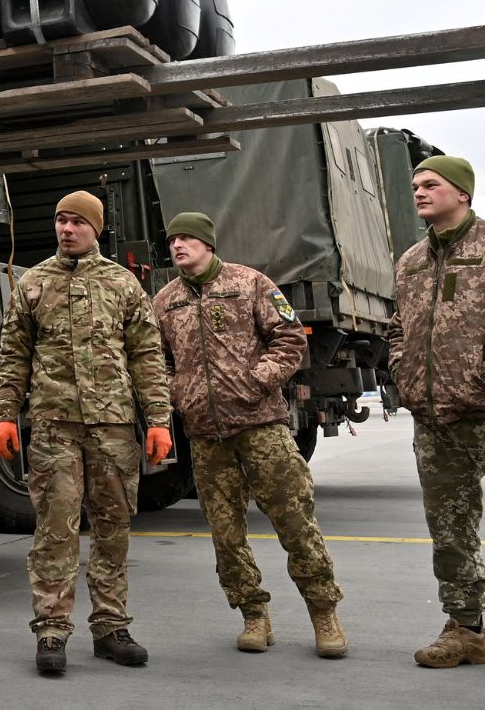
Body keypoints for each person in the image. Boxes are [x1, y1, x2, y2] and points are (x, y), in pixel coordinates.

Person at [151, 211, 347, 658]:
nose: (178, 245)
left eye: (187, 238)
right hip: (205, 434)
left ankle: (324, 613)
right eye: (173, 239)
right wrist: (178, 393)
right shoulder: (164, 301)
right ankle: (253, 616)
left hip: (261, 428)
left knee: (294, 520)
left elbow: (290, 337)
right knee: (226, 533)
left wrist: (258, 380)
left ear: (208, 244)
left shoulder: (250, 283)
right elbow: (155, 361)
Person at [0, 190, 172, 675]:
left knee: (113, 529)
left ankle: (111, 628)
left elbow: (147, 357)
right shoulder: (32, 284)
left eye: (76, 222)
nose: (66, 229)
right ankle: (51, 632)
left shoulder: (122, 285)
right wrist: (6, 414)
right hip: (54, 427)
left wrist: (158, 420)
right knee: (55, 530)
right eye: (60, 221)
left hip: (112, 427)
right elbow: (13, 357)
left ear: (96, 230)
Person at [387, 155, 485, 668]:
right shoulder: (409, 262)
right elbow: (397, 328)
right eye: (415, 186)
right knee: (449, 530)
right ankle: (465, 630)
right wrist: (403, 372)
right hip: (435, 419)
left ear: (463, 193)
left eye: (431, 184)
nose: (420, 192)